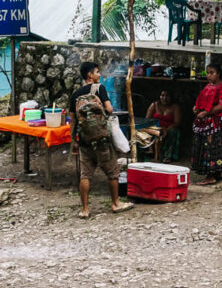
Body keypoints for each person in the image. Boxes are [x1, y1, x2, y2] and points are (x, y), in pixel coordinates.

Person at [69, 61, 133, 218]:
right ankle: (116, 203)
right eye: (97, 72)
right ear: (89, 75)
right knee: (112, 171)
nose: (100, 75)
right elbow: (110, 109)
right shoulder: (100, 88)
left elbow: (73, 120)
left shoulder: (75, 95)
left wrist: (74, 141)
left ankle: (85, 210)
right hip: (101, 139)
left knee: (85, 174)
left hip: (84, 140)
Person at [190, 64, 222, 185]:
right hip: (206, 120)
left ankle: (211, 175)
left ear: (218, 74)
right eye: (207, 73)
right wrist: (196, 109)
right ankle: (215, 174)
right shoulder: (208, 86)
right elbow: (201, 101)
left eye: (212, 72)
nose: (209, 75)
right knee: (206, 146)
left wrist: (206, 113)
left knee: (212, 147)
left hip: (216, 122)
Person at [146, 89, 182, 162]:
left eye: (167, 96)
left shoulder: (175, 107)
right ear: (159, 96)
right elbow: (147, 120)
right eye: (162, 95)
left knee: (174, 132)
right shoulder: (154, 105)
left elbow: (177, 122)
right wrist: (157, 128)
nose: (164, 98)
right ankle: (154, 154)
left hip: (169, 128)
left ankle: (167, 156)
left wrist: (166, 130)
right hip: (156, 127)